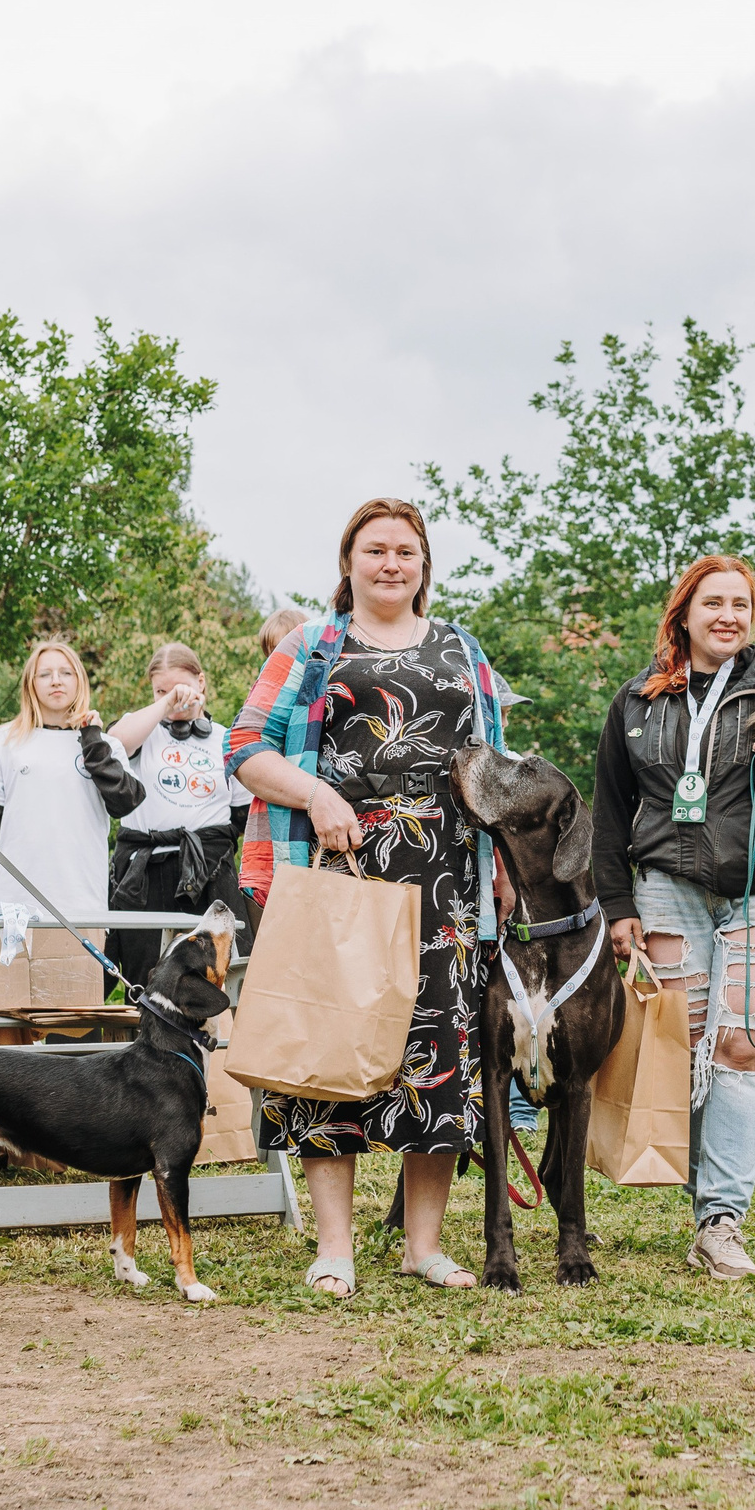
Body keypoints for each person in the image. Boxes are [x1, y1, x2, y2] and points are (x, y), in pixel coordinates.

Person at [227, 498, 512, 1297]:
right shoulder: (310, 644)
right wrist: (315, 794)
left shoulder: (461, 646)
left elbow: (492, 760)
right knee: (327, 1049)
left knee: (440, 1054)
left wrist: (505, 861)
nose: (392, 563)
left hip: (447, 876)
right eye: (375, 549)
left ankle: (423, 1244)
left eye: (406, 551)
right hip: (335, 864)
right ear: (348, 562)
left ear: (424, 565)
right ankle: (335, 1246)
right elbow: (243, 746)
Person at [591, 556, 755, 1281]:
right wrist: (617, 906)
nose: (727, 615)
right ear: (683, 613)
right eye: (712, 602)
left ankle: (721, 1218)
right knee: (682, 1050)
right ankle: (703, 1198)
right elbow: (608, 814)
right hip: (665, 887)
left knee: (744, 1043)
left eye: (741, 605)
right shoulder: (636, 701)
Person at [0, 638, 143, 1011]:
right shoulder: (4, 742)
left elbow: (125, 802)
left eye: (65, 673)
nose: (56, 681)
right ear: (31, 684)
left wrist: (93, 742)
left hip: (81, 906)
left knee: (75, 1029)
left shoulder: (106, 744)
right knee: (13, 1024)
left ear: (79, 680)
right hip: (13, 909)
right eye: (45, 674)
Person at [107, 642, 253, 990]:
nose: (171, 697)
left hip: (209, 870)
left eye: (179, 687)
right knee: (145, 975)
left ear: (200, 681)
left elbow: (243, 815)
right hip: (147, 872)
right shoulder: (143, 731)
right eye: (160, 689)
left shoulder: (226, 738)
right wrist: (164, 704)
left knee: (225, 973)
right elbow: (114, 744)